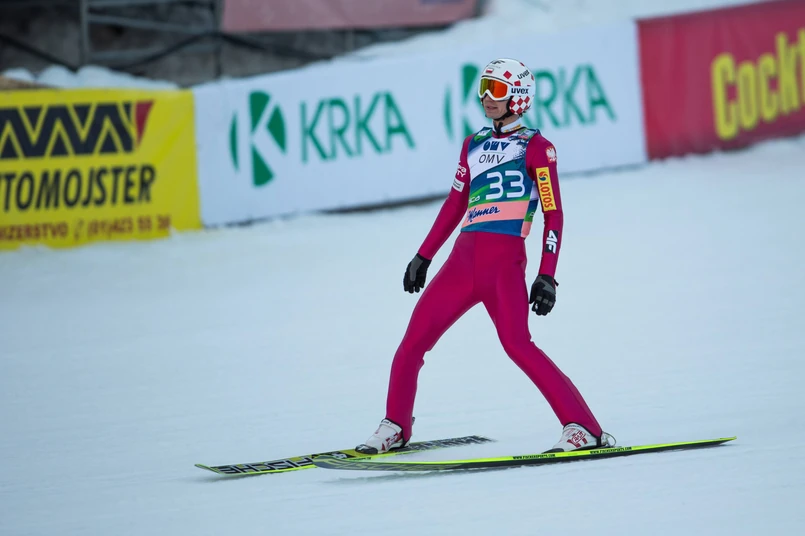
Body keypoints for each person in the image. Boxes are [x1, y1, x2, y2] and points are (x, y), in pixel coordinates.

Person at [356, 58, 615, 455]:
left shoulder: (538, 149)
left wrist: (547, 275)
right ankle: (395, 425)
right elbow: (455, 202)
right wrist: (423, 255)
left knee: (518, 345)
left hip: (502, 267)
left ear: (519, 97)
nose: (486, 98)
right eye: (483, 89)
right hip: (461, 264)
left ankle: (584, 428)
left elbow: (554, 214)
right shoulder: (473, 144)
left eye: (496, 90)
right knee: (412, 342)